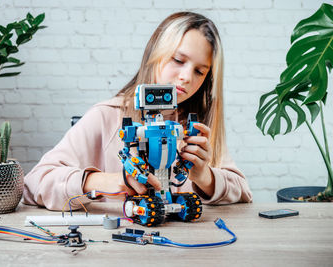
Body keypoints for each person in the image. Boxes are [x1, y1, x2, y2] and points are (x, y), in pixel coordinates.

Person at [23, 12, 253, 211]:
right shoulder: (106, 116)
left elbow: (242, 191)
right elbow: (34, 184)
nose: (186, 77)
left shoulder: (197, 128)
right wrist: (107, 181)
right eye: (178, 60)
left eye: (200, 72)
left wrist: (205, 178)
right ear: (155, 54)